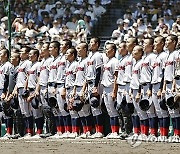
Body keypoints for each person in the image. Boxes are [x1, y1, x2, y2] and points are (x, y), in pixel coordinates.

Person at [162, 34, 180, 143]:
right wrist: (164, 87)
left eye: (168, 40)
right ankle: (175, 133)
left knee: (176, 110)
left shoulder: (177, 54)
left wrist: (174, 85)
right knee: (172, 111)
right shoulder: (167, 55)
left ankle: (177, 134)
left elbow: (176, 71)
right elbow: (165, 73)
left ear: (174, 42)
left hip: (176, 83)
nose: (166, 41)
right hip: (167, 85)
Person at [101, 43, 120, 139]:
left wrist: (114, 91)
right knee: (109, 111)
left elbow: (116, 77)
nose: (105, 50)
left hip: (111, 88)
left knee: (113, 111)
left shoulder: (115, 61)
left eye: (107, 49)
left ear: (113, 50)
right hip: (105, 88)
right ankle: (113, 131)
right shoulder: (107, 61)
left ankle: (116, 132)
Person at [0, 49, 13, 139]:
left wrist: (5, 92)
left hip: (4, 90)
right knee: (1, 113)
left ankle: (9, 132)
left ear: (6, 55)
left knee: (6, 112)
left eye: (1, 53)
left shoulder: (8, 65)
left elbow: (7, 80)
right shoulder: (2, 66)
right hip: (0, 89)